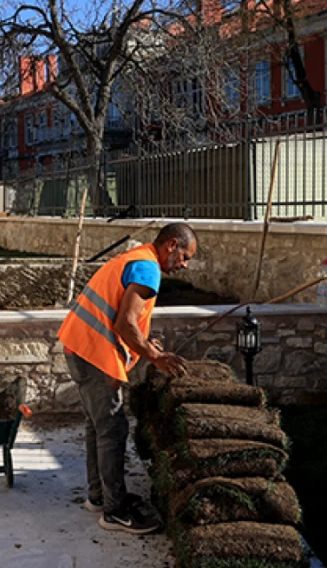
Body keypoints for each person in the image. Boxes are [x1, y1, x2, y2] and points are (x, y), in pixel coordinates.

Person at [57, 222, 197, 534]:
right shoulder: (149, 270)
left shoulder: (137, 257)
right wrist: (156, 357)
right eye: (185, 256)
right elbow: (125, 323)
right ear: (171, 245)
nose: (185, 264)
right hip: (94, 353)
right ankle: (115, 511)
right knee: (113, 429)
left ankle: (99, 497)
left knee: (97, 426)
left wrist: (146, 346)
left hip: (78, 345)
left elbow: (122, 318)